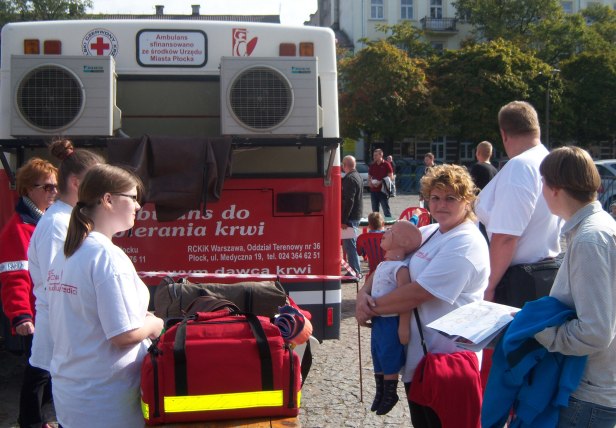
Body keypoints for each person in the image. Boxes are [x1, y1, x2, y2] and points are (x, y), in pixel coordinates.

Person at [356, 164, 489, 428]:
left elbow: (420, 293)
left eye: (451, 198)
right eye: (435, 197)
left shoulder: (465, 242)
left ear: (467, 201)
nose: (441, 205)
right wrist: (362, 294)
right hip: (420, 362)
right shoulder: (428, 232)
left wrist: (371, 308)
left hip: (448, 361)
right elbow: (388, 265)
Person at [47, 164, 164, 428]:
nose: (138, 206)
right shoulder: (106, 256)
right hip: (107, 404)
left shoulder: (68, 253)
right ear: (108, 200)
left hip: (75, 396)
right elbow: (122, 335)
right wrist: (154, 324)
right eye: (133, 198)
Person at [536, 146, 616, 427]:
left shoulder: (589, 238)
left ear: (555, 188)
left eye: (543, 183)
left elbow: (595, 332)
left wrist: (540, 331)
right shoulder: (599, 226)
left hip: (589, 395)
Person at [27, 140, 103, 406]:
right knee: (46, 375)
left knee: (50, 375)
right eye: (96, 182)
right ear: (75, 183)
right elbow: (54, 278)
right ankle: (32, 420)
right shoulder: (58, 222)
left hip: (66, 315)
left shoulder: (69, 217)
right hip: (58, 315)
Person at [475, 101, 562, 303]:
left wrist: (489, 286)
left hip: (516, 280)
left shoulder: (520, 167)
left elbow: (506, 236)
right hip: (544, 273)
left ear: (504, 134)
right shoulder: (548, 160)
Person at [0, 157, 58, 428]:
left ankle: (41, 419)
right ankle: (31, 422)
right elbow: (15, 277)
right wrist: (21, 315)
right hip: (34, 318)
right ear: (28, 190)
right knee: (38, 374)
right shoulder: (18, 229)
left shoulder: (45, 222)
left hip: (50, 312)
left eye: (55, 187)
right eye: (47, 187)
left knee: (48, 372)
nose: (54, 192)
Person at [369, 220, 422, 416]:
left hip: (391, 319)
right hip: (378, 319)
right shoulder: (383, 265)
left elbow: (406, 298)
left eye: (391, 231)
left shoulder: (400, 268)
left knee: (389, 353)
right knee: (377, 353)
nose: (385, 232)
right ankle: (381, 389)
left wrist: (404, 325)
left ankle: (390, 392)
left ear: (403, 241)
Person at [470, 141, 498, 241]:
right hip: (491, 208)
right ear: (490, 154)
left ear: (477, 153)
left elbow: (471, 188)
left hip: (478, 207)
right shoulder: (495, 170)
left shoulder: (477, 168)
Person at [341, 155, 363, 277]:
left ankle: (355, 271)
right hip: (356, 215)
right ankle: (355, 270)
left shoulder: (349, 179)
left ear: (345, 166)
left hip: (350, 218)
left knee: (350, 246)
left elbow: (349, 200)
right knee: (350, 245)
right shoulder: (358, 176)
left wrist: (344, 219)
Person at [368, 148, 394, 218]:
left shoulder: (386, 164)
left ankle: (389, 227)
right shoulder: (372, 165)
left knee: (386, 211)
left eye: (376, 155)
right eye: (374, 155)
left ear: (381, 155)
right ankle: (376, 226)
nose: (374, 157)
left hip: (383, 191)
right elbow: (369, 176)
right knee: (375, 212)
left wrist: (381, 182)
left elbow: (391, 177)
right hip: (373, 191)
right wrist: (370, 183)